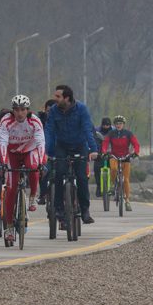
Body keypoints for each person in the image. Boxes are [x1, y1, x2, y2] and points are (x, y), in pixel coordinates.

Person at [44, 84, 99, 227]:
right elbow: (49, 131)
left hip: (80, 145)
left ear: (67, 98)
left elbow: (87, 129)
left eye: (58, 96)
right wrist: (46, 152)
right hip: (62, 146)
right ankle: (59, 209)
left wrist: (93, 149)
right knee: (59, 173)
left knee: (82, 177)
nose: (55, 99)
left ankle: (85, 210)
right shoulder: (54, 110)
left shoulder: (81, 109)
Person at [0, 94, 46, 245]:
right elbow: (2, 142)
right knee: (11, 189)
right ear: (12, 110)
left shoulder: (35, 121)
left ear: (28, 110)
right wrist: (3, 162)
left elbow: (40, 142)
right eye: (17, 110)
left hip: (29, 151)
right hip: (12, 154)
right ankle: (9, 227)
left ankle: (32, 195)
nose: (20, 113)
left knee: (33, 167)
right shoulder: (6, 121)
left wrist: (41, 161)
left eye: (23, 110)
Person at [101, 115, 140, 210]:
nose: (119, 125)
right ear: (114, 125)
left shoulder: (128, 133)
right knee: (114, 169)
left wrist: (136, 152)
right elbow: (105, 143)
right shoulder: (111, 133)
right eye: (117, 124)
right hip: (114, 156)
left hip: (125, 157)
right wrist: (104, 152)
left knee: (126, 179)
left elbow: (136, 143)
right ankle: (113, 184)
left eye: (120, 123)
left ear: (123, 124)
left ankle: (127, 201)